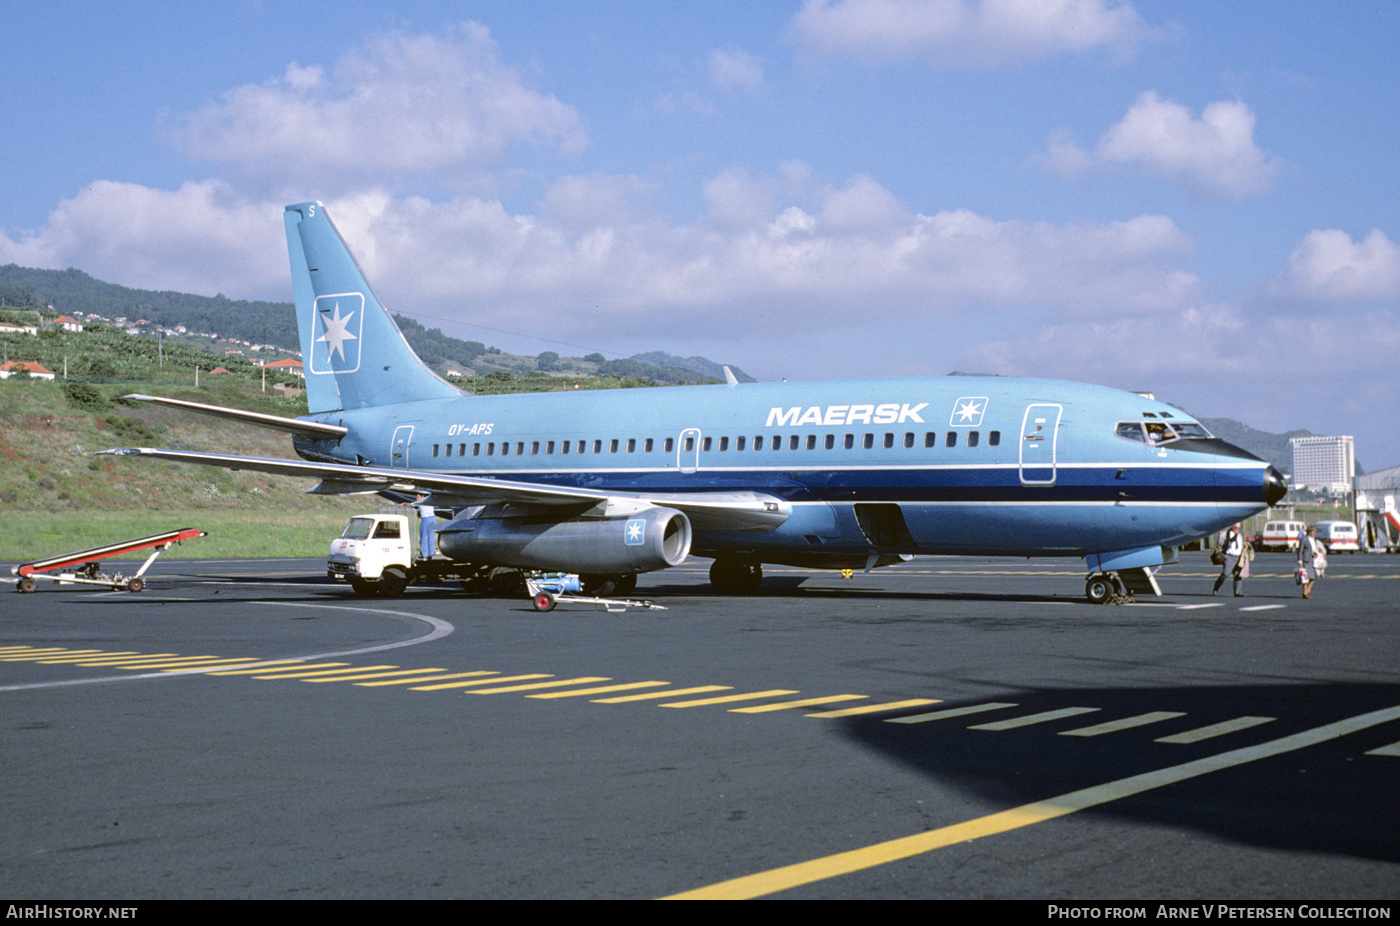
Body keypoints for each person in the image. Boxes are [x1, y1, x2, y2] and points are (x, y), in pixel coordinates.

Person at [1212, 522, 1248, 597]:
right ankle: (1216, 588)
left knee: (1238, 575)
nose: (1237, 529)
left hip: (1238, 557)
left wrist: (1245, 545)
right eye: (1236, 528)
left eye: (1239, 528)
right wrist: (1220, 536)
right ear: (1232, 527)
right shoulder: (1226, 534)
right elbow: (1219, 543)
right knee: (1225, 573)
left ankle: (1238, 592)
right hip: (1229, 557)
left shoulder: (1239, 536)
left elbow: (1240, 545)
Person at [404, 494, 437, 558]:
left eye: (418, 497)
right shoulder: (430, 500)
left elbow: (410, 504)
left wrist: (404, 503)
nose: (416, 499)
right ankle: (431, 553)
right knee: (431, 537)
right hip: (433, 518)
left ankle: (424, 554)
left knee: (423, 537)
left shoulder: (421, 501)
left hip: (426, 519)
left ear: (422, 497)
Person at [1297, 525, 1325, 599]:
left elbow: (1314, 549)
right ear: (1309, 532)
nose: (1314, 533)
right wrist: (1300, 560)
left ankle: (1308, 591)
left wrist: (1317, 550)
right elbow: (1300, 550)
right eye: (1313, 532)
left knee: (1313, 577)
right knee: (1305, 578)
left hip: (1313, 560)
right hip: (1305, 560)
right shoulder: (1304, 539)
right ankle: (1305, 593)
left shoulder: (1314, 540)